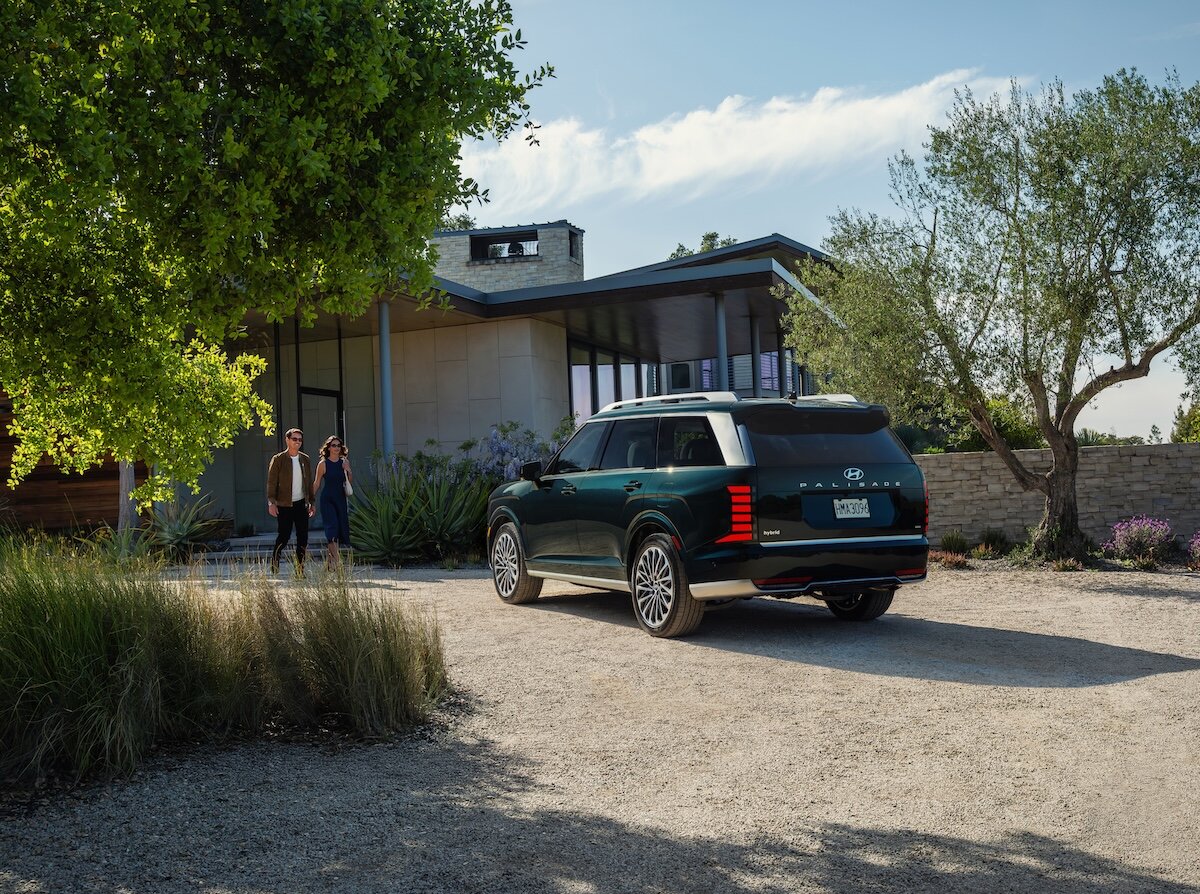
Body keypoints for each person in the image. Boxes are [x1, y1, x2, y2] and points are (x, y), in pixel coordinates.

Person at [266, 428, 315, 574]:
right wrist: (271, 502)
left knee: (303, 537)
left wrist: (312, 502)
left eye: (300, 440)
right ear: (287, 440)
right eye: (294, 439)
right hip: (284, 504)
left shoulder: (305, 459)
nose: (297, 442)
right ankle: (275, 566)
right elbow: (271, 482)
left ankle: (300, 570)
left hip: (301, 504)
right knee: (284, 536)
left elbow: (309, 483)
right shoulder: (278, 459)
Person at [313, 434, 353, 570]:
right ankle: (336, 561)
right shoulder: (323, 464)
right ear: (328, 448)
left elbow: (349, 482)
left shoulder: (344, 462)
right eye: (333, 445)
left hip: (340, 500)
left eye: (338, 445)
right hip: (327, 500)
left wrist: (348, 470)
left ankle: (329, 565)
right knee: (332, 529)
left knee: (339, 530)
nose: (336, 448)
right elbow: (317, 483)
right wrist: (310, 500)